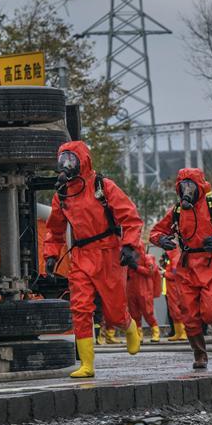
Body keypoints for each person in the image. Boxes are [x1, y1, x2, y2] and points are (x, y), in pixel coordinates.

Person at [44, 140, 144, 378]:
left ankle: (128, 325)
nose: (66, 164)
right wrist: (50, 255)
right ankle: (87, 365)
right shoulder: (62, 194)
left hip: (108, 251)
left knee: (114, 312)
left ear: (83, 160)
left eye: (71, 159)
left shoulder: (104, 187)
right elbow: (55, 230)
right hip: (81, 254)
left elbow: (130, 218)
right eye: (63, 159)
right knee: (79, 308)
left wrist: (130, 246)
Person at [150, 168, 212, 369]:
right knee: (189, 315)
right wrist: (161, 239)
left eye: (191, 185)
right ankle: (199, 354)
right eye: (183, 186)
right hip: (187, 265)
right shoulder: (177, 211)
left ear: (200, 187)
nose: (187, 190)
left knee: (211, 311)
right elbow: (156, 231)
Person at [126, 248, 161, 342]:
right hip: (131, 289)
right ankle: (138, 335)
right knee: (134, 313)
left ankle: (156, 332)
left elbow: (150, 271)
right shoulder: (128, 258)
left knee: (148, 312)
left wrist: (136, 267)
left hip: (144, 288)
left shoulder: (148, 258)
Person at [161, 249, 187, 341]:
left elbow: (175, 275)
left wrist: (164, 273)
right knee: (173, 311)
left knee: (177, 310)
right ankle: (178, 332)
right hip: (170, 289)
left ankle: (183, 332)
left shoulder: (175, 258)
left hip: (175, 289)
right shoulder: (171, 257)